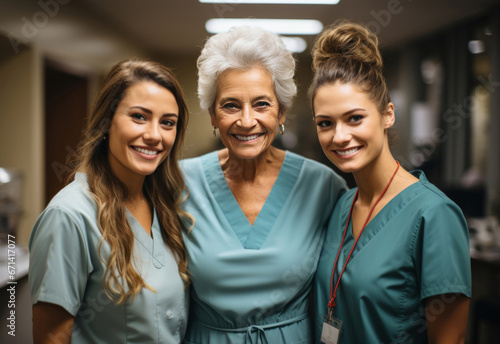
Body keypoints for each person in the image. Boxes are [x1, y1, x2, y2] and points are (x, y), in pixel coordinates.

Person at [180, 26, 347, 343]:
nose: (246, 120)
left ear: (281, 111)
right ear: (213, 116)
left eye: (261, 104)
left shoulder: (323, 187)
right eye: (230, 105)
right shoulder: (179, 183)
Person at [310, 21, 471, 343]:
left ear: (388, 114)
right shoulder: (342, 203)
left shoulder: (434, 215)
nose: (340, 136)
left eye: (355, 118)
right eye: (325, 123)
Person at [29, 58, 191, 344]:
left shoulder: (165, 205)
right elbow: (52, 337)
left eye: (168, 123)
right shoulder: (69, 216)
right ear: (107, 122)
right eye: (139, 116)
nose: (154, 135)